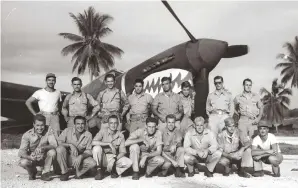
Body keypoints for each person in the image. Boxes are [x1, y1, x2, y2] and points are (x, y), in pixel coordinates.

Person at [92, 115, 132, 180]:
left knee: (128, 162)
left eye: (115, 123)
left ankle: (113, 171)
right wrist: (108, 144)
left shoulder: (120, 135)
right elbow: (93, 142)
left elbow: (123, 152)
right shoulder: (103, 131)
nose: (113, 125)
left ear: (118, 124)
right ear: (108, 124)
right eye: (111, 123)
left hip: (113, 157)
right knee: (96, 148)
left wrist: (114, 159)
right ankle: (99, 170)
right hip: (102, 157)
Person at [18, 114, 57, 181]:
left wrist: (43, 147)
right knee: (23, 162)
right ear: (33, 124)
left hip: (44, 158)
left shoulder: (49, 130)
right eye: (37, 125)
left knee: (52, 152)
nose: (40, 128)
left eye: (42, 125)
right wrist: (29, 157)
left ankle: (45, 173)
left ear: (45, 124)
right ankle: (32, 173)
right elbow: (21, 152)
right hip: (33, 159)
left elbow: (54, 145)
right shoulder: (27, 135)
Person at [56, 116, 96, 181]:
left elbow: (89, 151)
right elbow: (59, 143)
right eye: (78, 124)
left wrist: (81, 156)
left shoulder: (88, 135)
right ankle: (65, 172)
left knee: (93, 163)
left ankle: (79, 173)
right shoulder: (67, 130)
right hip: (68, 158)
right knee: (60, 149)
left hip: (79, 160)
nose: (80, 126)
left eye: (82, 124)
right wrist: (69, 145)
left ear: (85, 124)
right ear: (74, 124)